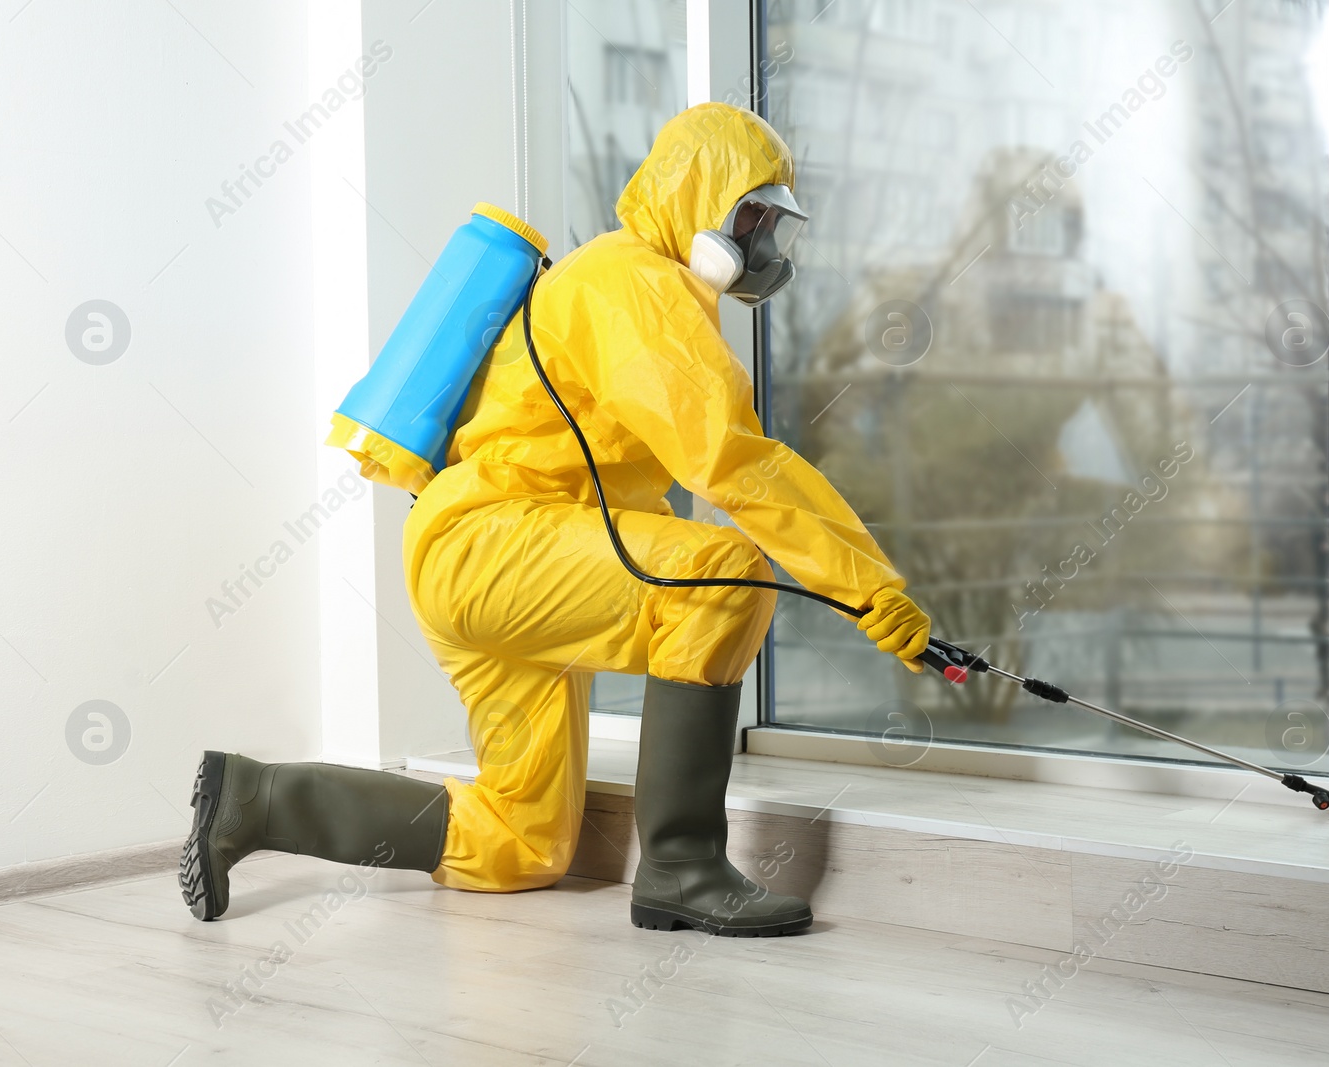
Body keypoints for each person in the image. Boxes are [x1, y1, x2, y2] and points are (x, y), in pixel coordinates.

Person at [178, 103, 931, 936]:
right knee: (723, 578)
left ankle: (252, 798)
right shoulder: (633, 283)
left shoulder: (645, 286)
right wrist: (873, 592)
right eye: (751, 214)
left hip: (485, 555)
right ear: (698, 193)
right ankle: (681, 867)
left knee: (519, 841)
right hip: (491, 542)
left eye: (774, 223)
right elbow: (732, 460)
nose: (763, 244)